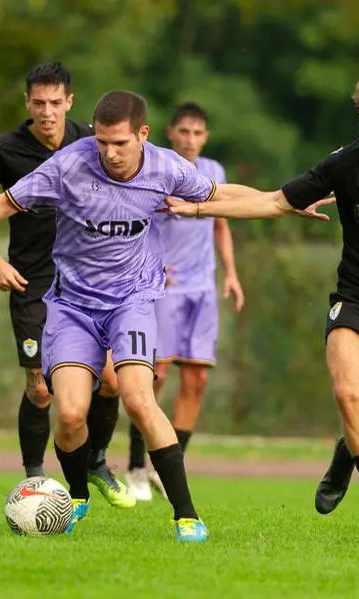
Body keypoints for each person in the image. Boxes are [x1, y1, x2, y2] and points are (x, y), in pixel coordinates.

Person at [163, 66, 359, 546]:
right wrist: (199, 209)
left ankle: (346, 456)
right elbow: (273, 202)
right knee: (350, 394)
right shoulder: (347, 163)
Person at [0, 90, 250, 542]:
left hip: (131, 301)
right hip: (72, 306)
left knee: (138, 396)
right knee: (71, 414)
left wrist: (285, 199)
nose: (109, 153)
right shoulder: (68, 165)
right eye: (101, 142)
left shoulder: (166, 167)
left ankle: (186, 514)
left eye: (119, 143)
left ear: (143, 134)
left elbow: (220, 196)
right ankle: (77, 496)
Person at [0, 63, 131, 508]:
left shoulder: (92, 141)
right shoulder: (6, 150)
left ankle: (95, 462)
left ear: (70, 102)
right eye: (39, 102)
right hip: (31, 284)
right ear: (27, 103)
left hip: (88, 282)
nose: (47, 112)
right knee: (39, 388)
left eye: (56, 102)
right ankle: (35, 481)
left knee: (112, 381)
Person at [126, 102, 244, 501]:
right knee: (152, 377)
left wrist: (230, 273)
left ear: (205, 137)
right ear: (170, 133)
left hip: (202, 289)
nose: (191, 139)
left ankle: (168, 466)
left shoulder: (215, 173)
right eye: (184, 132)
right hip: (163, 288)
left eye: (198, 133)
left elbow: (222, 226)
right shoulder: (156, 169)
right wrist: (149, 265)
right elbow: (135, 223)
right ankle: (136, 466)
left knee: (197, 379)